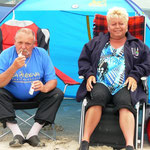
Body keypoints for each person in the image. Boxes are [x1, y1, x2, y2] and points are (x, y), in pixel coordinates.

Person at [77, 7, 150, 150]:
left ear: (127, 24)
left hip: (125, 84)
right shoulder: (96, 43)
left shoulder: (137, 45)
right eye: (114, 24)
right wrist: (89, 74)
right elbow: (83, 61)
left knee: (125, 102)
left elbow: (147, 64)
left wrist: (135, 75)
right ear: (108, 26)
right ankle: (85, 141)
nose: (117, 27)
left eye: (121, 23)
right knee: (96, 97)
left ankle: (129, 145)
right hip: (101, 82)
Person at [0, 28, 64, 147]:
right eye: (20, 43)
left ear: (34, 44)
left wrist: (44, 87)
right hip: (11, 95)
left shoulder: (41, 54)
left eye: (28, 43)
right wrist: (14, 67)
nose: (23, 47)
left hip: (35, 94)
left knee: (57, 93)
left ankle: (32, 134)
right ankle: (17, 134)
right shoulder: (6, 55)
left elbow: (52, 81)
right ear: (14, 42)